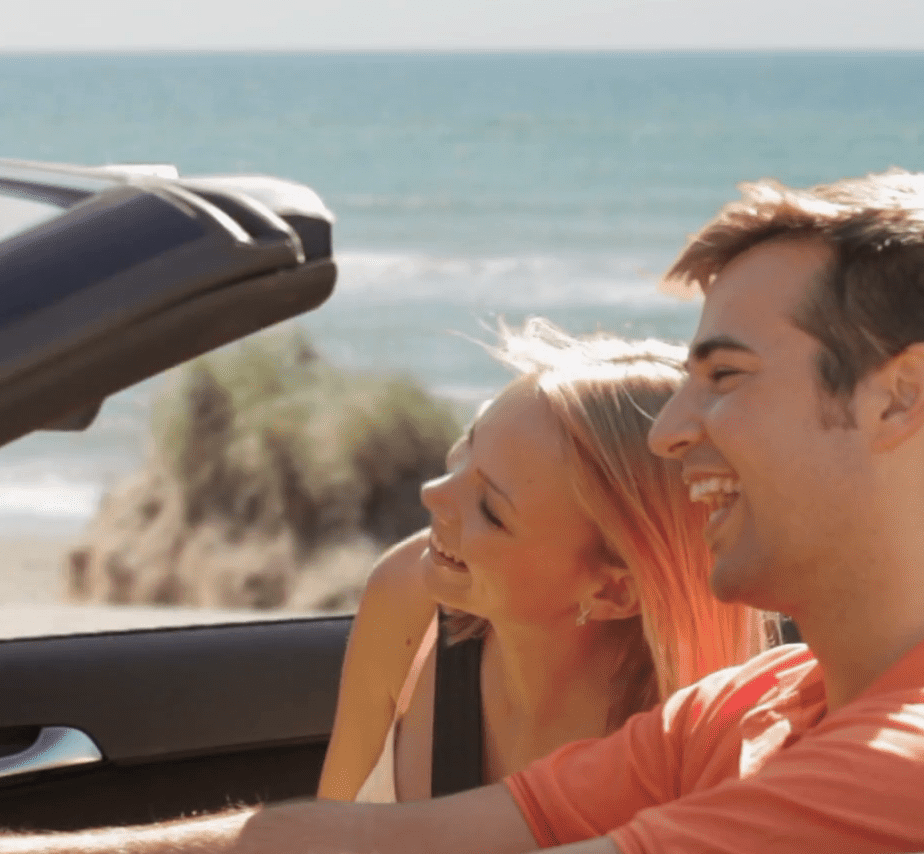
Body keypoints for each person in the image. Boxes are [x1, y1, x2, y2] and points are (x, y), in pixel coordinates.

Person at [0, 168, 924, 854]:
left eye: (725, 377)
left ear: (898, 399)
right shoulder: (760, 703)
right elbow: (369, 842)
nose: (677, 430)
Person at [317, 319, 764, 804]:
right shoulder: (409, 595)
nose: (432, 495)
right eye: (467, 450)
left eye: (491, 511)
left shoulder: (690, 766)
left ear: (613, 591)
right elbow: (325, 847)